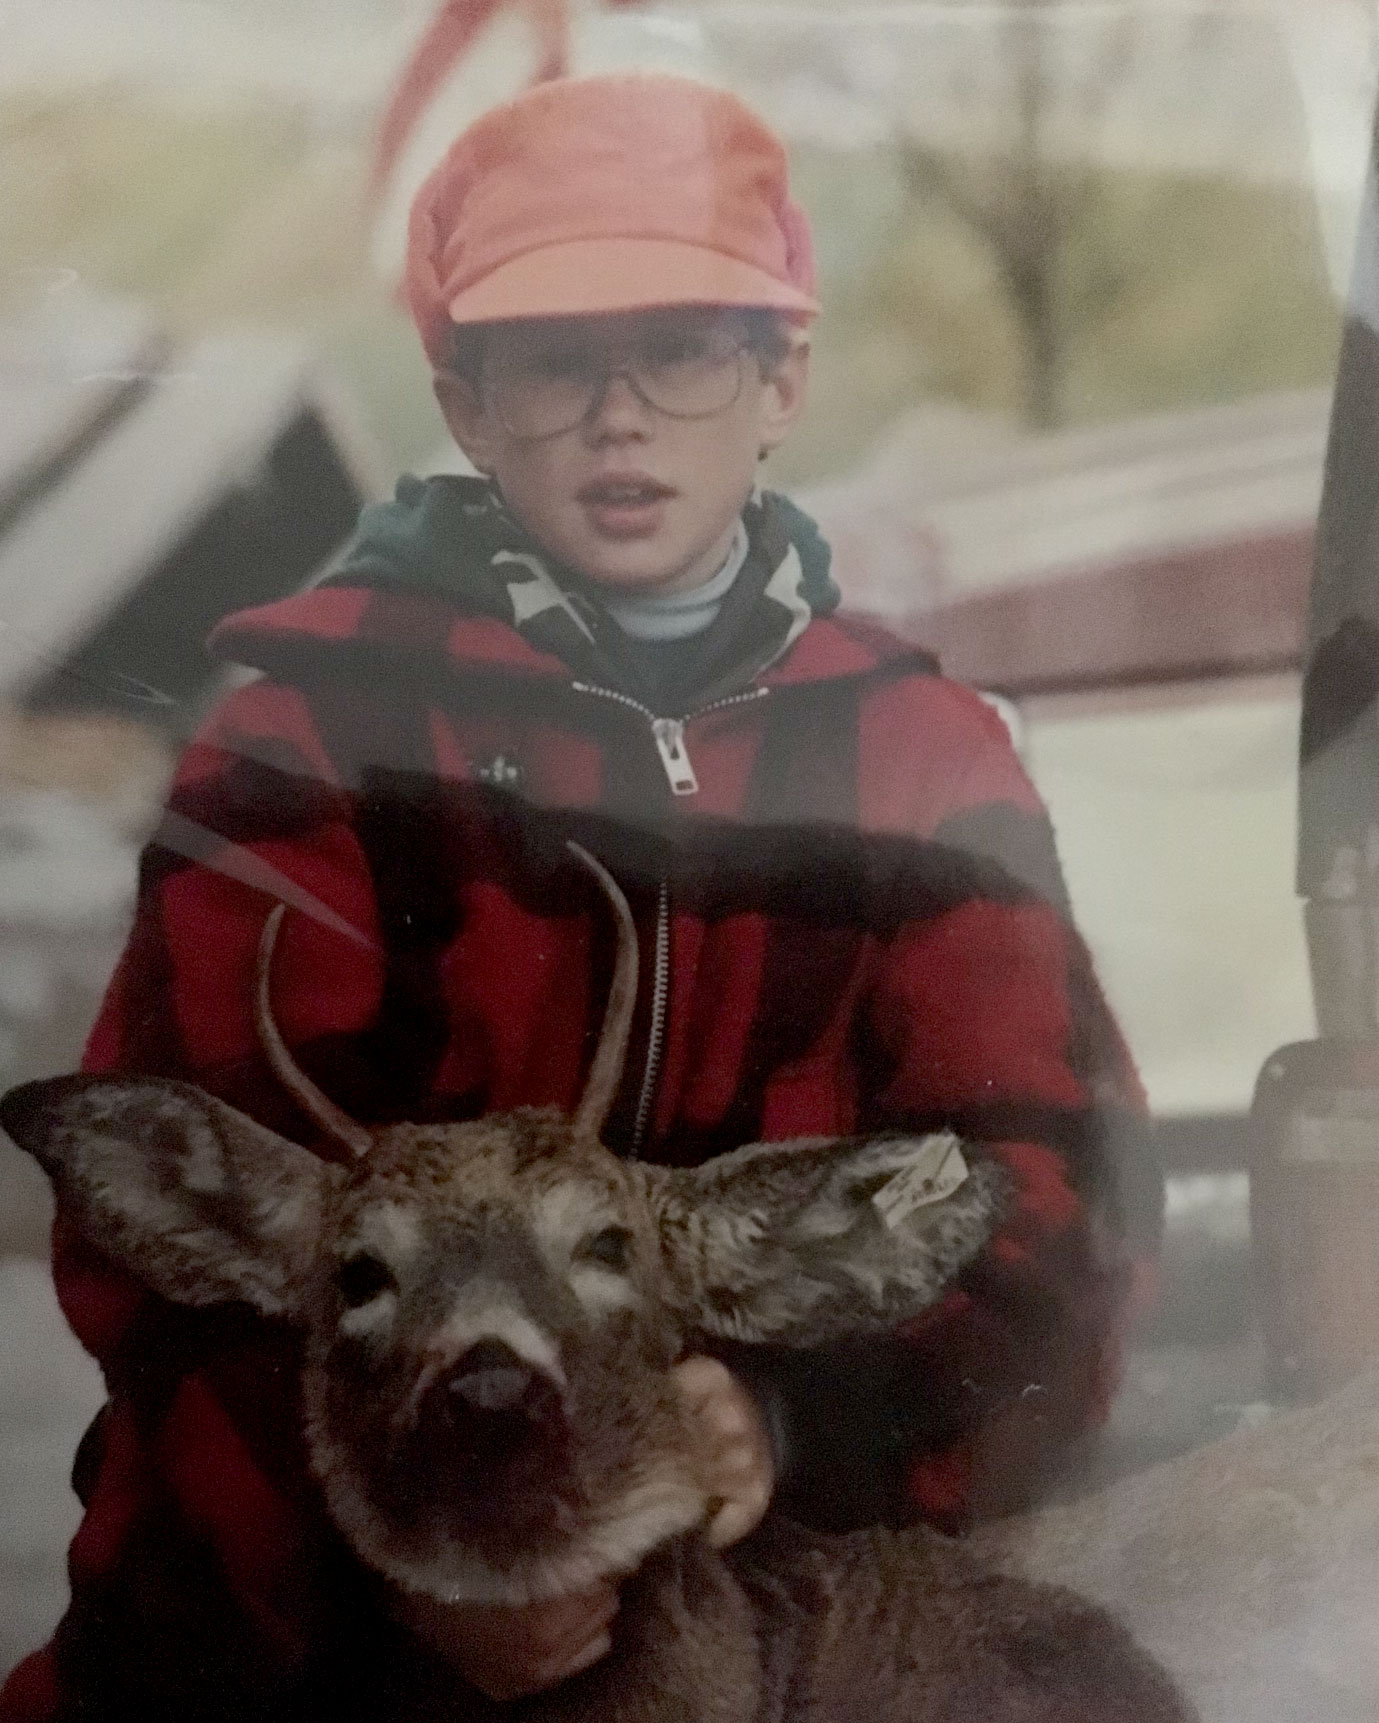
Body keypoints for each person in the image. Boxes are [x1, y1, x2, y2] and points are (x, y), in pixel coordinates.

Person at [0, 72, 1161, 1721]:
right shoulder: (306, 743)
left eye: (683, 349)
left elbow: (1059, 1198)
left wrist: (784, 1417)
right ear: (465, 403)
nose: (620, 417)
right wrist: (399, 1581)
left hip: (762, 1607)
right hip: (311, 1628)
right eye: (552, 362)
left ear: (781, 378)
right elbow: (170, 1284)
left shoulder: (918, 754)